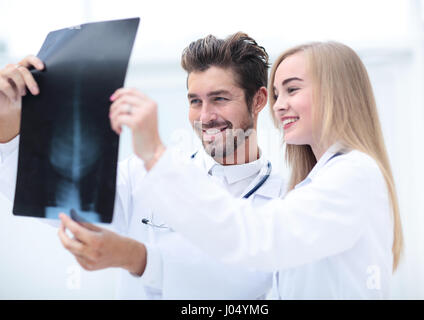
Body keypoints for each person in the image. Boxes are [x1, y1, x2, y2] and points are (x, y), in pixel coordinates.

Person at [111, 41, 405, 299]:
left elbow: (254, 236)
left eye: (292, 89)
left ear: (336, 94)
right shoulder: (310, 185)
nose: (279, 106)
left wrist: (155, 155)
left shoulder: (353, 174)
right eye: (279, 94)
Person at [0, 33, 284, 299]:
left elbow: (245, 281)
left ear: (258, 100)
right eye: (195, 101)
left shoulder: (287, 198)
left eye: (219, 99)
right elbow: (45, 198)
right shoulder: (141, 175)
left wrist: (137, 257)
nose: (206, 116)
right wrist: (8, 125)